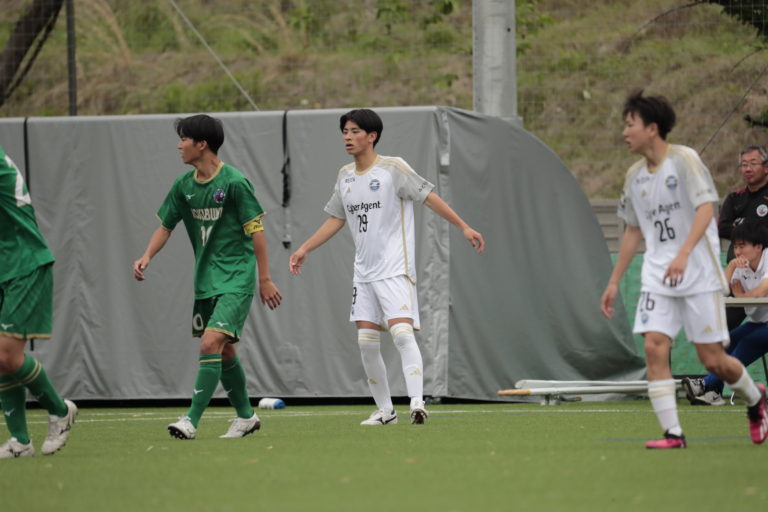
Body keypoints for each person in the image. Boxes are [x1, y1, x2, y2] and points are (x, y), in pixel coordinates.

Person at [288, 108, 484, 426]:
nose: (348, 137)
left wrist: (463, 226)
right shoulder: (344, 176)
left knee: (402, 335)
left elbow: (428, 197)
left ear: (372, 136)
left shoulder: (393, 168)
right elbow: (337, 218)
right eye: (345, 132)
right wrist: (304, 248)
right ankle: (386, 411)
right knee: (366, 344)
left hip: (395, 269)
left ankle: (417, 404)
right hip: (363, 274)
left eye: (355, 131)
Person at [600, 91, 768, 449]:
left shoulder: (684, 160)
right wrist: (614, 281)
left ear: (652, 128)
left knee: (714, 359)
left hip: (698, 275)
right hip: (658, 277)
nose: (624, 132)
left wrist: (684, 253)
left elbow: (706, 209)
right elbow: (633, 230)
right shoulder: (634, 177)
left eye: (630, 125)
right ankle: (673, 434)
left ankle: (755, 400)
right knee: (654, 347)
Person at [133, 114, 282, 440]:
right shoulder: (183, 186)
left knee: (210, 343)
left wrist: (264, 278)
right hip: (205, 281)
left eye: (183, 139)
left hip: (236, 278)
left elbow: (257, 231)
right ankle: (246, 417)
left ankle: (191, 420)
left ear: (201, 144)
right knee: (224, 351)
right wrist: (146, 256)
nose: (178, 145)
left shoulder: (234, 182)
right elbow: (166, 226)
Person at [0, 146, 77, 458]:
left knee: (6, 354)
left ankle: (60, 410)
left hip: (23, 263)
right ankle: (20, 441)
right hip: (7, 266)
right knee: (2, 359)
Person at [683, 220, 768, 406]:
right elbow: (720, 290)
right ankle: (713, 391)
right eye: (735, 246)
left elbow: (761, 292)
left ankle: (705, 384)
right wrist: (731, 267)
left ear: (759, 247)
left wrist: (741, 295)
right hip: (759, 322)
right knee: (728, 340)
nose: (737, 252)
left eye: (742, 246)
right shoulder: (739, 266)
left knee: (748, 341)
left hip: (764, 326)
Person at [718, 145, 768, 330]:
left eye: (753, 163)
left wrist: (742, 227)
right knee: (720, 329)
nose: (748, 169)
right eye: (744, 164)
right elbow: (722, 228)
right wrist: (753, 229)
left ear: (766, 167)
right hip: (739, 276)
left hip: (764, 273)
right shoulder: (734, 198)